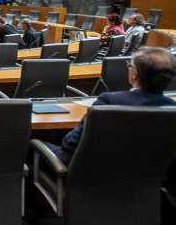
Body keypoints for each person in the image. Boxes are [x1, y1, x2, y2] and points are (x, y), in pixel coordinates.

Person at [45, 47, 176, 165]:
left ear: (134, 74)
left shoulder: (109, 101)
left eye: (129, 66)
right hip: (145, 182)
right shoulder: (171, 108)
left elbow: (70, 143)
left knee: (32, 143)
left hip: (91, 173)